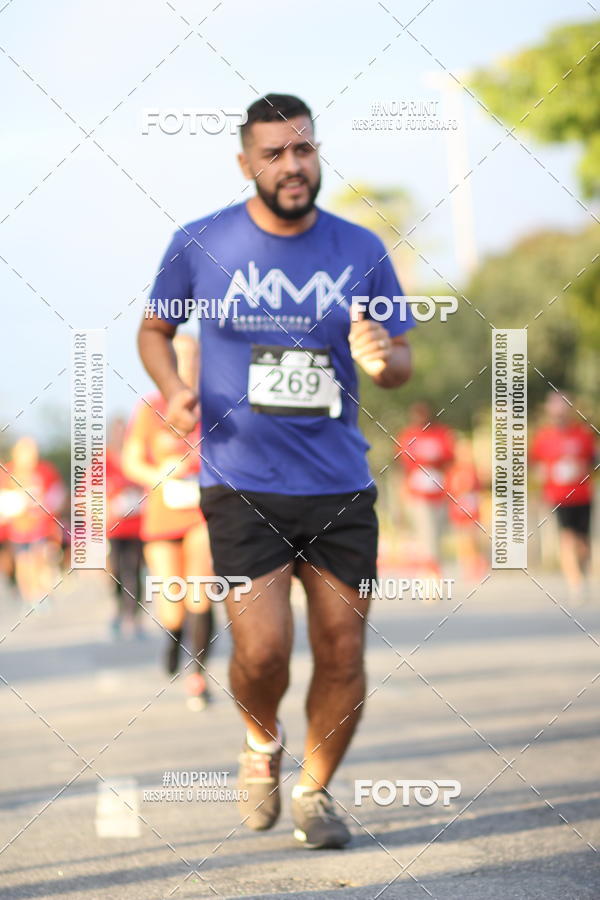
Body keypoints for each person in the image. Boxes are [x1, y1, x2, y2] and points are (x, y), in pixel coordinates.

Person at [137, 93, 414, 848]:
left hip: (339, 485)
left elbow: (400, 358)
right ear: (245, 163)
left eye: (304, 150)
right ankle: (263, 747)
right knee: (260, 651)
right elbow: (155, 328)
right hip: (240, 481)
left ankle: (317, 792)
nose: (293, 166)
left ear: (317, 153)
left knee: (342, 649)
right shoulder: (199, 242)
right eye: (275, 154)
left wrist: (386, 360)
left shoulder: (360, 249)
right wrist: (174, 388)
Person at [122, 335, 214, 710]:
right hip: (162, 515)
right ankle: (174, 637)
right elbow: (131, 461)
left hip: (201, 511)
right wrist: (161, 473)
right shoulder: (150, 407)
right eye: (179, 356)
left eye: (193, 356)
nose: (186, 363)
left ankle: (197, 675)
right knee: (171, 603)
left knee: (201, 588)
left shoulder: (215, 404)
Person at [531, 391, 597, 604]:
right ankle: (575, 583)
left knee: (583, 542)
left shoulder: (583, 435)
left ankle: (583, 573)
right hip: (558, 497)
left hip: (582, 495)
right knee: (567, 539)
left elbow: (593, 461)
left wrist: (582, 468)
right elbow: (535, 464)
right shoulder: (544, 437)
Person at [4, 437, 66, 609]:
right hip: (18, 527)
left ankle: (42, 593)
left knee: (41, 557)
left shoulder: (45, 470)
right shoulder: (8, 472)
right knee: (23, 561)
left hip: (42, 526)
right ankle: (29, 596)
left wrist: (46, 505)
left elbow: (58, 494)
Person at [396, 402, 455, 577]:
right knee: (426, 530)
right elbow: (403, 466)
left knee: (436, 533)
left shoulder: (441, 434)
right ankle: (430, 571)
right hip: (417, 493)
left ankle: (433, 565)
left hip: (438, 491)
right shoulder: (408, 436)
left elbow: (449, 460)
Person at [106, 417, 146, 640]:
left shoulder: (137, 456)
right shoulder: (102, 460)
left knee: (135, 571)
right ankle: (119, 610)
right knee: (117, 573)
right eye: (117, 431)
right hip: (114, 528)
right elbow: (88, 491)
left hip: (137, 526)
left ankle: (135, 616)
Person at [446, 436, 487, 580]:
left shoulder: (473, 470)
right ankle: (466, 566)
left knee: (473, 539)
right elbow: (450, 490)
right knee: (462, 540)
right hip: (459, 510)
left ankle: (477, 563)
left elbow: (479, 489)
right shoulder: (453, 471)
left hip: (472, 510)